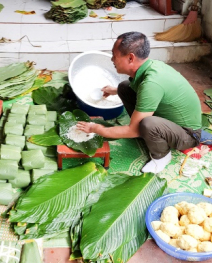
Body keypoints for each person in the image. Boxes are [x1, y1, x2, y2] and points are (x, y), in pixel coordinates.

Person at [76, 32, 204, 174]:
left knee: (147, 124)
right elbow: (131, 88)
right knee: (123, 87)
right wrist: (113, 90)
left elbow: (133, 130)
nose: (112, 59)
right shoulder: (149, 67)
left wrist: (96, 129)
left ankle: (161, 156)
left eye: (114, 55)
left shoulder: (152, 83)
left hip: (188, 135)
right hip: (169, 122)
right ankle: (148, 132)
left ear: (131, 57)